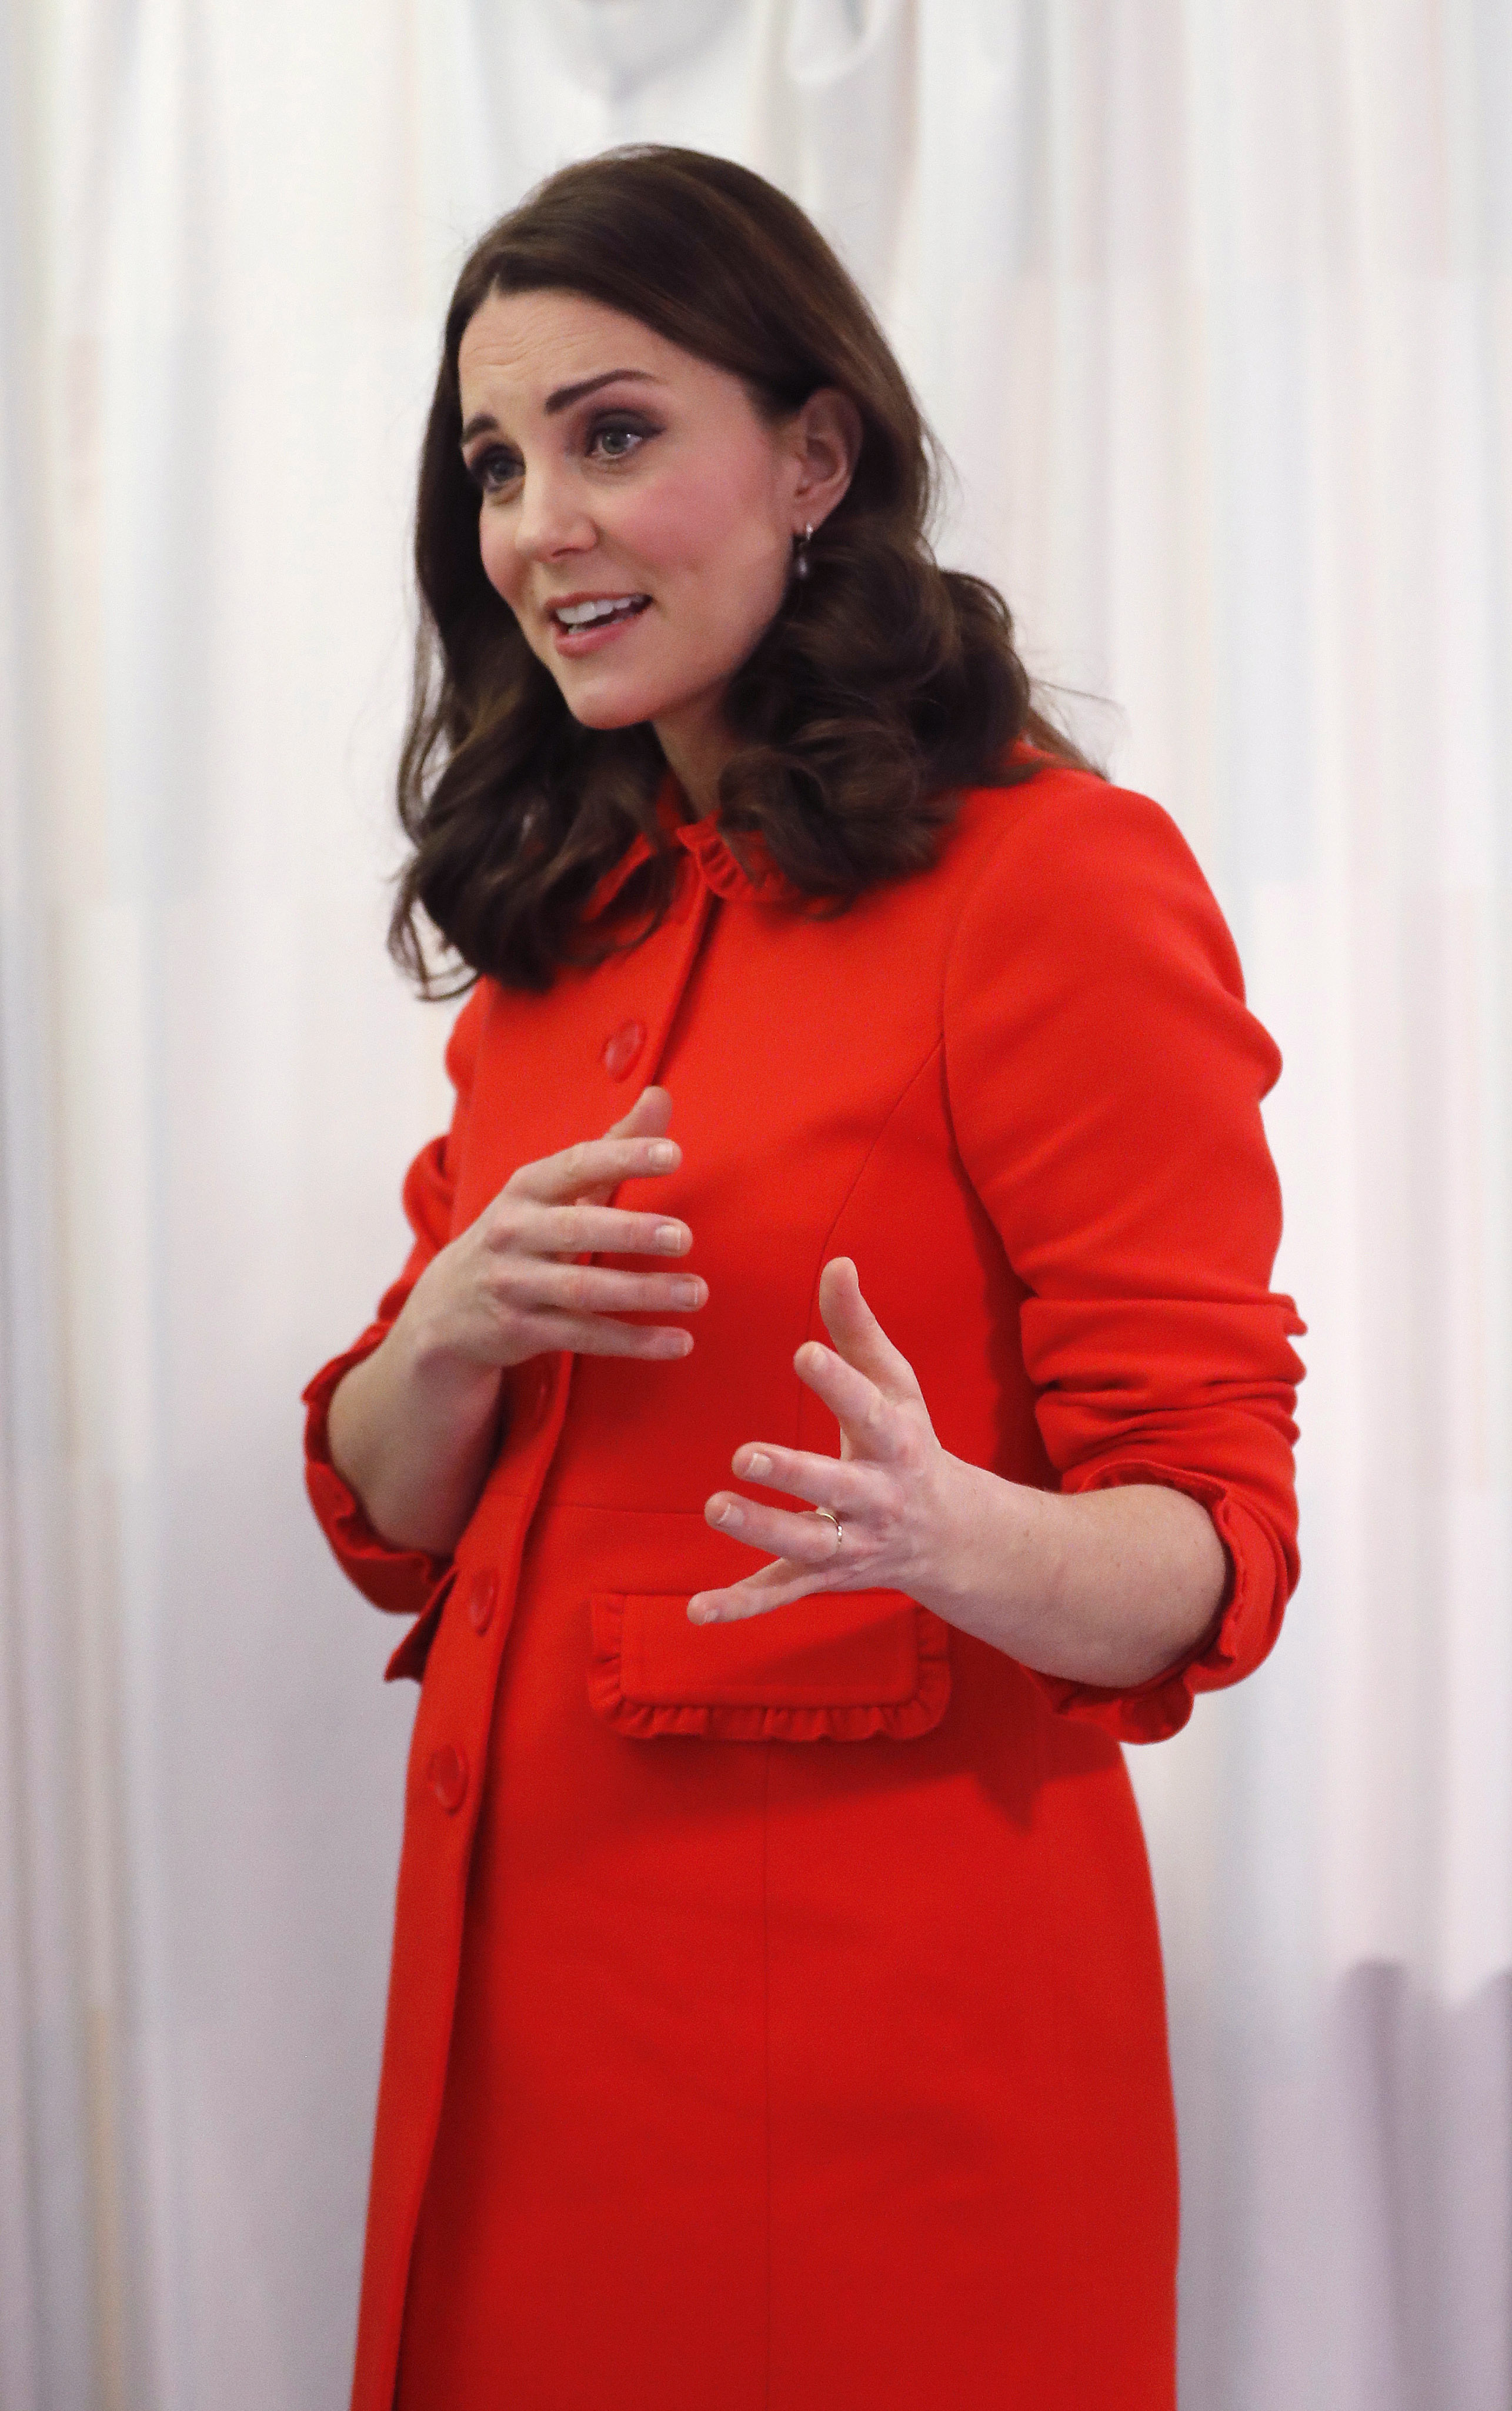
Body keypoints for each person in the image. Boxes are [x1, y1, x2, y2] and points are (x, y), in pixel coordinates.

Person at [303, 145, 1304, 2411]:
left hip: (875, 2100)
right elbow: (391, 1510)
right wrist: (442, 1333)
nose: (537, 521)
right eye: (495, 461)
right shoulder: (562, 933)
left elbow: (1211, 1538)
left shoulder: (1052, 887)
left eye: (615, 432)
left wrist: (962, 1538)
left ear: (815, 459)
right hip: (517, 2050)